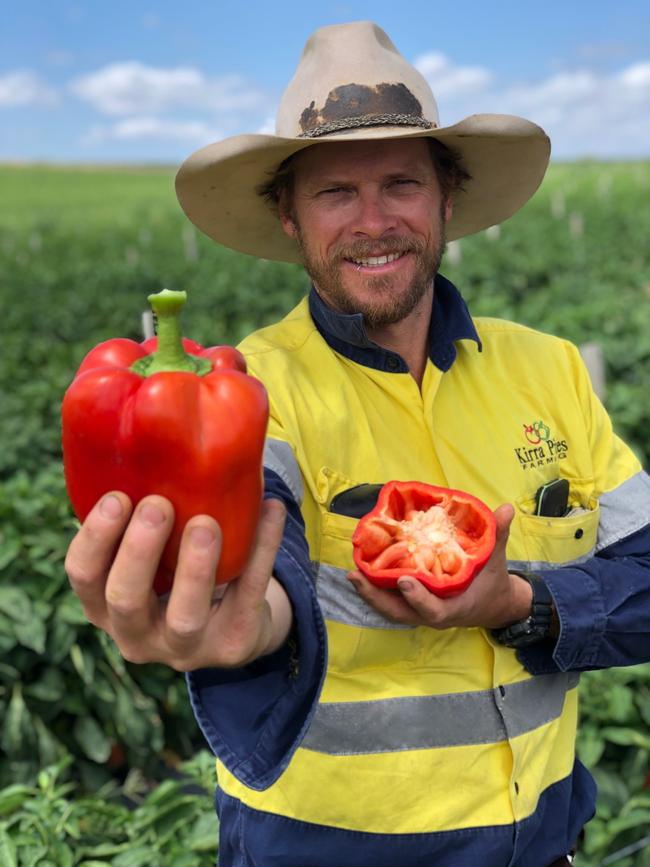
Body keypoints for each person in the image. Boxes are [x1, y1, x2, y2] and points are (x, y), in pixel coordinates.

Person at [65, 21, 650, 867]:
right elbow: (269, 581)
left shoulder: (550, 370)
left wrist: (517, 603)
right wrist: (229, 621)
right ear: (289, 217)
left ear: (447, 198)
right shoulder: (244, 392)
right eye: (335, 192)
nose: (374, 221)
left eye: (402, 183)